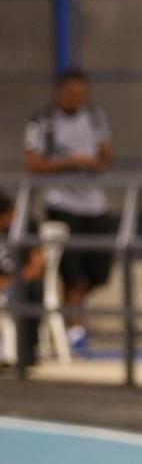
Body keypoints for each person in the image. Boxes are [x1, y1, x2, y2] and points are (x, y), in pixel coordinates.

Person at [24, 68, 113, 353]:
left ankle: (70, 314)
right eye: (72, 94)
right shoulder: (43, 121)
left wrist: (94, 162)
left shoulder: (96, 116)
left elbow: (105, 155)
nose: (77, 99)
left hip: (95, 205)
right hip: (62, 204)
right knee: (71, 273)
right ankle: (75, 328)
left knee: (99, 272)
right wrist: (69, 163)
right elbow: (33, 164)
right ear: (59, 93)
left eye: (82, 94)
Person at [0, 193, 45, 367]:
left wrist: (10, 282)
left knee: (33, 289)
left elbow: (37, 266)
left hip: (19, 281)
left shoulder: (27, 225)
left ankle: (25, 351)